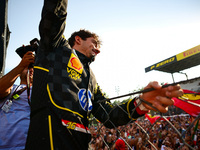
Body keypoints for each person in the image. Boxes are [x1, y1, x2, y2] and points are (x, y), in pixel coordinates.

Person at [25, 0, 183, 149]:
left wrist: (140, 103)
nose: (98, 49)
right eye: (93, 43)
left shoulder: (92, 79)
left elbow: (109, 116)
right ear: (78, 39)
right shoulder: (56, 47)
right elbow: (53, 16)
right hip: (48, 140)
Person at [0, 50, 35, 150]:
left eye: (34, 68)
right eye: (28, 67)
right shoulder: (10, 87)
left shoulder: (41, 91)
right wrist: (21, 65)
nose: (31, 70)